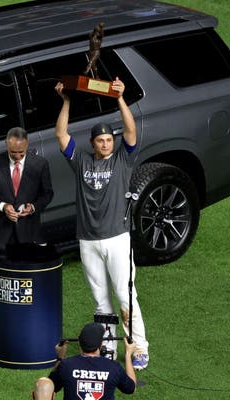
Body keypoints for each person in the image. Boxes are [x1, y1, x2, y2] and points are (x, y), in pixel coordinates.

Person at [53, 79, 149, 369]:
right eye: (101, 141)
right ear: (93, 143)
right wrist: (66, 101)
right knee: (99, 300)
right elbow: (61, 134)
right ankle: (107, 347)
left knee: (125, 296)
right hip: (88, 239)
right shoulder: (80, 161)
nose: (106, 144)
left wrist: (120, 99)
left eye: (109, 140)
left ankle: (139, 348)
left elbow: (131, 131)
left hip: (118, 238)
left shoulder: (123, 160)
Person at [0, 127, 54, 254]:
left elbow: (48, 194)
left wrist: (33, 207)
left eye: (21, 152)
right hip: (0, 235)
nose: (18, 156)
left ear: (27, 144)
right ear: (6, 144)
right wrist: (3, 206)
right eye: (13, 152)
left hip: (29, 233)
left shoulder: (40, 164)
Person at [49, 323, 137, 400]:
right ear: (101, 344)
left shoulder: (66, 365)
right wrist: (128, 354)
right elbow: (131, 388)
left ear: (79, 341)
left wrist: (60, 357)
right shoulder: (113, 367)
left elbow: (50, 386)